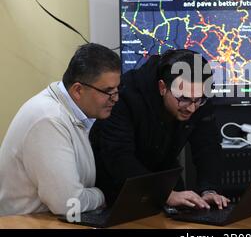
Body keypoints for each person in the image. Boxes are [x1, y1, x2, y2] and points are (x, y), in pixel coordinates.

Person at [89, 49, 229, 210]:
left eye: (197, 100)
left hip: (164, 174)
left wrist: (209, 189)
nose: (191, 108)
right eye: (183, 99)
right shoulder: (125, 94)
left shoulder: (197, 95)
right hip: (118, 184)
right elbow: (118, 156)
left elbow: (208, 146)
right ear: (162, 87)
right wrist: (163, 194)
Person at [0, 43, 121, 216]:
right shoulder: (49, 119)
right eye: (108, 91)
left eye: (117, 90)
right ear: (78, 90)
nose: (115, 99)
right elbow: (68, 204)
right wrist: (103, 194)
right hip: (26, 224)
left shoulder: (75, 112)